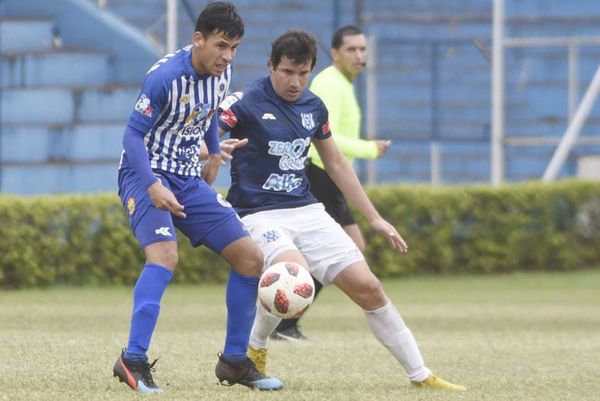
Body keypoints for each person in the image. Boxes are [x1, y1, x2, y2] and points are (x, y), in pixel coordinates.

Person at [217, 30, 466, 391]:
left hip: (307, 209)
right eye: (287, 72)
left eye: (302, 73)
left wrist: (375, 217)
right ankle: (255, 348)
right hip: (258, 213)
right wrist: (211, 151)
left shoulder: (313, 106)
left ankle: (421, 374)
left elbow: (336, 163)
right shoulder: (245, 101)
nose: (295, 81)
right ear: (271, 65)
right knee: (295, 275)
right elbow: (206, 128)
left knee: (369, 288)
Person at [112, 2, 282, 393]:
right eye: (221, 45)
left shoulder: (222, 74)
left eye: (234, 48)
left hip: (188, 178)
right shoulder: (165, 77)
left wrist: (213, 152)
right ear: (198, 40)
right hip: (144, 175)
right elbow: (131, 137)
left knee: (249, 257)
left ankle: (235, 361)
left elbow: (206, 115)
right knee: (164, 256)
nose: (227, 56)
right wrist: (153, 184)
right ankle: (132, 359)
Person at [272, 25, 391, 341]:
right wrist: (369, 148)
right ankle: (283, 316)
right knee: (344, 249)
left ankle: (284, 315)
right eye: (352, 50)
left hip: (329, 177)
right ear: (334, 53)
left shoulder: (343, 83)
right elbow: (328, 137)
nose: (360, 56)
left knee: (347, 248)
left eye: (363, 49)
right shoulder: (328, 83)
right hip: (319, 173)